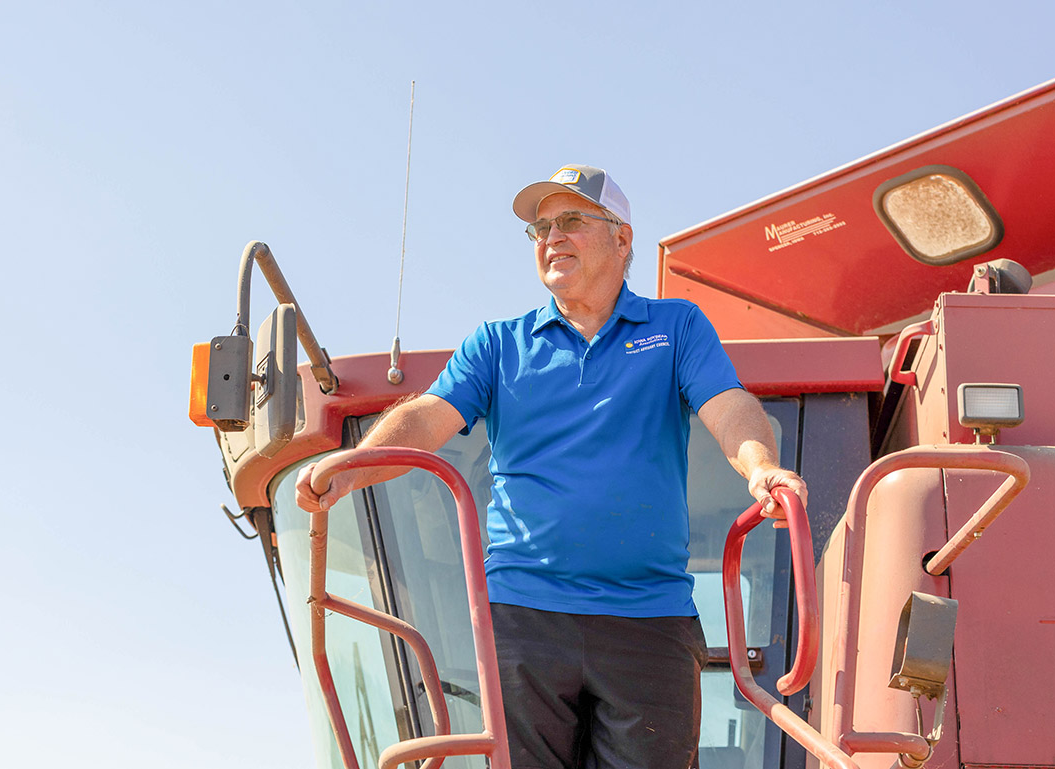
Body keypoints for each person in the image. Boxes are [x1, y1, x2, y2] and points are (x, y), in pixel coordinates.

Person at [296, 164, 807, 769]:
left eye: (570, 221)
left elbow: (729, 406)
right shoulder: (497, 343)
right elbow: (428, 416)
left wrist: (760, 468)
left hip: (649, 617)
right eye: (539, 229)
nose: (550, 238)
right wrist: (353, 466)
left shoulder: (677, 329)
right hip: (524, 615)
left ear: (623, 239)